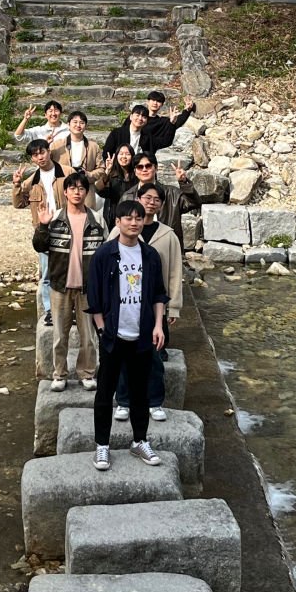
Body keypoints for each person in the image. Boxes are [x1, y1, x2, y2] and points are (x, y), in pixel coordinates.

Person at [87, 199, 169, 471]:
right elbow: (94, 297)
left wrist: (158, 325)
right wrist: (102, 329)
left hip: (142, 334)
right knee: (105, 392)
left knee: (140, 392)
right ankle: (102, 445)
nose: (134, 223)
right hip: (113, 335)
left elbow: (158, 294)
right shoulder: (104, 254)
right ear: (117, 222)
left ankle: (140, 441)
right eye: (129, 218)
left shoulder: (150, 255)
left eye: (139, 218)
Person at [111, 182, 183, 425]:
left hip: (154, 306)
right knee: (123, 356)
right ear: (138, 198)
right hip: (124, 305)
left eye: (156, 199)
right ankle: (124, 401)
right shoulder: (120, 230)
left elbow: (174, 273)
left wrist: (173, 307)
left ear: (161, 205)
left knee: (154, 357)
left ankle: (154, 402)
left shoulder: (168, 235)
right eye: (147, 198)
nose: (151, 202)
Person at [32, 171, 106, 392]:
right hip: (60, 286)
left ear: (86, 192)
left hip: (88, 287)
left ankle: (87, 373)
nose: (77, 192)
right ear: (65, 192)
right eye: (72, 188)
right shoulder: (55, 218)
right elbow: (39, 246)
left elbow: (105, 252)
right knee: (59, 335)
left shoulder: (96, 219)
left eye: (81, 188)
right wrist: (42, 226)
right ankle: (59, 374)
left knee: (88, 336)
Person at [12, 137, 62, 328]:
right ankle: (49, 310)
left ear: (49, 151)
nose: (40, 157)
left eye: (42, 152)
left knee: (69, 270)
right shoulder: (31, 181)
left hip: (65, 228)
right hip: (44, 231)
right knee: (47, 273)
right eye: (35, 155)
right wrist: (17, 185)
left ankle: (70, 308)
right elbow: (19, 204)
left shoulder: (66, 173)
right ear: (32, 159)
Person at [120, 152, 200, 248]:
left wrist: (183, 182)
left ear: (156, 168)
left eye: (148, 166)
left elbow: (193, 203)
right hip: (135, 246)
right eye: (140, 167)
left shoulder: (171, 193)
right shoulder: (127, 197)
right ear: (135, 171)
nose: (144, 169)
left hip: (166, 245)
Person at [51, 110, 104, 208]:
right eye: (75, 122)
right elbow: (46, 163)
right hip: (63, 189)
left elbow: (101, 169)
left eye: (82, 123)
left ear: (85, 126)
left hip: (86, 190)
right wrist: (46, 145)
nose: (78, 125)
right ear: (68, 124)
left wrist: (89, 174)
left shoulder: (93, 147)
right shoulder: (57, 145)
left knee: (86, 216)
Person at [94, 143, 137, 229]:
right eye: (121, 154)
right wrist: (107, 171)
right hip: (115, 218)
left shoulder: (137, 175)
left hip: (134, 216)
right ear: (117, 156)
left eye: (127, 154)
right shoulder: (112, 176)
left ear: (132, 156)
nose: (124, 157)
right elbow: (99, 190)